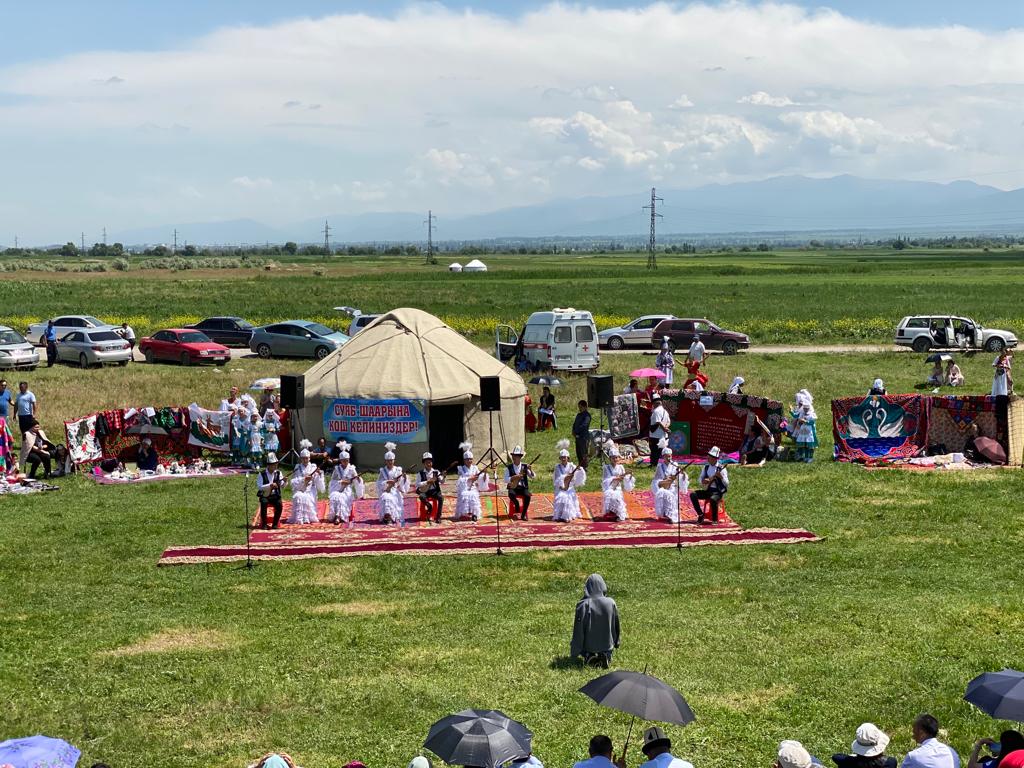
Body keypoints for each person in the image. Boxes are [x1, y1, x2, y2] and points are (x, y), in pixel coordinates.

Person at [570, 573, 620, 668]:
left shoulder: (583, 605)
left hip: (589, 645)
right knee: (607, 646)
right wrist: (617, 641)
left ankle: (589, 656)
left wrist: (574, 651)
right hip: (607, 643)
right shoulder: (611, 602)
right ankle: (605, 656)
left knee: (585, 649)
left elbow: (578, 631)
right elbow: (616, 625)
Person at [328, 441, 364, 526]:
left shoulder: (351, 468)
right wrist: (341, 482)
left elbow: (356, 480)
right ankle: (335, 515)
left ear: (349, 460)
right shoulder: (337, 469)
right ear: (340, 461)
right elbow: (332, 482)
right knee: (335, 496)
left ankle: (338, 516)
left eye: (347, 460)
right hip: (338, 489)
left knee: (341, 498)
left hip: (347, 490)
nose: (345, 462)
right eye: (343, 461)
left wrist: (358, 479)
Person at [690, 446, 728, 525]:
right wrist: (703, 481)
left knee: (713, 499)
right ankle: (701, 515)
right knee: (693, 495)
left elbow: (727, 483)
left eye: (709, 457)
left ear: (714, 458)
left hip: (718, 492)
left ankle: (715, 519)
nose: (708, 458)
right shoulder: (706, 467)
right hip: (708, 490)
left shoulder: (721, 468)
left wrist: (721, 477)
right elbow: (700, 479)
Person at [288, 445, 324, 524]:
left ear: (309, 458)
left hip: (311, 489)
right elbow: (293, 481)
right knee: (299, 496)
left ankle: (308, 517)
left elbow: (318, 482)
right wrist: (303, 480)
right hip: (300, 488)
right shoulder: (297, 467)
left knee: (308, 497)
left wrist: (319, 475)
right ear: (301, 459)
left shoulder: (313, 467)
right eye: (303, 458)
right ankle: (299, 517)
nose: (305, 460)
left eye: (306, 458)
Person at [553, 439, 586, 522]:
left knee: (568, 497)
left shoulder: (571, 466)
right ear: (560, 458)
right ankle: (560, 514)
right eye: (562, 458)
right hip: (561, 487)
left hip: (570, 487)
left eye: (565, 457)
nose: (563, 459)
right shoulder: (557, 467)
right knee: (562, 496)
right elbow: (557, 479)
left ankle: (567, 516)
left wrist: (579, 470)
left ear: (568, 458)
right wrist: (565, 479)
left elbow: (578, 473)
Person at [601, 443, 635, 521]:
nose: (615, 459)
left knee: (617, 496)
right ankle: (610, 512)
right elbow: (605, 480)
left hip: (618, 488)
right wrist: (615, 478)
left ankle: (618, 514)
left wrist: (629, 476)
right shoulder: (606, 468)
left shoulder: (621, 467)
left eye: (616, 457)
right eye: (613, 458)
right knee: (610, 495)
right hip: (610, 487)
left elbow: (625, 478)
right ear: (610, 458)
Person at [376, 441, 408, 525]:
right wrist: (387, 482)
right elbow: (379, 483)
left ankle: (392, 516)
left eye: (391, 460)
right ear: (385, 461)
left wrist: (404, 478)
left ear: (394, 460)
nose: (390, 462)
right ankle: (387, 517)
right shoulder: (383, 471)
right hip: (386, 490)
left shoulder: (398, 470)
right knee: (386, 498)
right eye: (388, 461)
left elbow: (401, 484)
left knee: (393, 499)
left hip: (395, 491)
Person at [454, 442, 488, 522]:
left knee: (473, 495)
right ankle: (464, 513)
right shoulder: (461, 469)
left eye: (470, 459)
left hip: (473, 488)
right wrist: (470, 478)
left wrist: (484, 474)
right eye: (467, 459)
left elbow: (480, 477)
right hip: (464, 488)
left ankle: (474, 514)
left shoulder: (475, 468)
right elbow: (460, 480)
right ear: (464, 460)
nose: (469, 461)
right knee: (465, 495)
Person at [652, 441, 684, 522]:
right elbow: (656, 480)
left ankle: (672, 515)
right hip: (665, 487)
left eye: (670, 456)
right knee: (662, 492)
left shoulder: (675, 465)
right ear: (663, 457)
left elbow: (680, 477)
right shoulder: (660, 467)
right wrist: (665, 480)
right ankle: (665, 513)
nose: (669, 458)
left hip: (673, 487)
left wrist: (681, 474)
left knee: (671, 495)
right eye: (667, 456)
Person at [505, 446, 535, 521]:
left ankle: (523, 514)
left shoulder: (525, 466)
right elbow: (506, 479)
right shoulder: (509, 467)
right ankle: (516, 504)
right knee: (511, 494)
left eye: (517, 456)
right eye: (514, 456)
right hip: (513, 487)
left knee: (527, 496)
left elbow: (533, 477)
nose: (514, 458)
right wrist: (514, 477)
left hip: (523, 487)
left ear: (520, 457)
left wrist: (531, 470)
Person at [256, 452, 285, 529]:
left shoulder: (278, 473)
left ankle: (275, 524)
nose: (275, 466)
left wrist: (285, 482)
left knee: (279, 505)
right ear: (268, 465)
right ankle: (264, 524)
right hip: (265, 495)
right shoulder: (261, 474)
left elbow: (282, 485)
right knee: (264, 503)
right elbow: (260, 486)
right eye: (273, 465)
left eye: (276, 464)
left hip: (275, 495)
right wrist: (270, 486)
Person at [416, 451, 445, 523]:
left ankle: (438, 517)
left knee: (441, 498)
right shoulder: (420, 473)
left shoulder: (436, 472)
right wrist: (427, 482)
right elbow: (417, 484)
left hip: (435, 491)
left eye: (430, 462)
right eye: (427, 462)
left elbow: (442, 481)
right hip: (425, 491)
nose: (429, 464)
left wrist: (444, 476)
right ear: (424, 463)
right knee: (421, 496)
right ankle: (429, 506)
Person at [793, 389, 818, 463]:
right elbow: (795, 416)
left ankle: (810, 457)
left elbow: (812, 422)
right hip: (803, 431)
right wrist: (791, 411)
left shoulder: (812, 414)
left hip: (809, 432)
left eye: (807, 408)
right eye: (804, 408)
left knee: (809, 446)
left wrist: (805, 421)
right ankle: (804, 457)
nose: (805, 409)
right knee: (804, 445)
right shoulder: (801, 413)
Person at [648, 393, 670, 460]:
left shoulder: (656, 411)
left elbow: (658, 422)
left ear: (655, 403)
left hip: (656, 435)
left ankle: (654, 463)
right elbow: (668, 422)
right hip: (663, 435)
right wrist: (666, 428)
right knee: (661, 451)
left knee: (654, 451)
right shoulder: (665, 411)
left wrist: (664, 429)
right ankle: (660, 462)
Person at [573, 400, 592, 468]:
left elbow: (584, 425)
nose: (579, 408)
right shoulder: (578, 415)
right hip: (577, 437)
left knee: (583, 453)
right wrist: (573, 431)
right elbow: (575, 423)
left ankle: (585, 467)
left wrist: (576, 431)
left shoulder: (587, 416)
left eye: (581, 407)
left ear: (585, 407)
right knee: (578, 453)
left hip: (583, 437)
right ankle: (580, 466)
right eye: (579, 407)